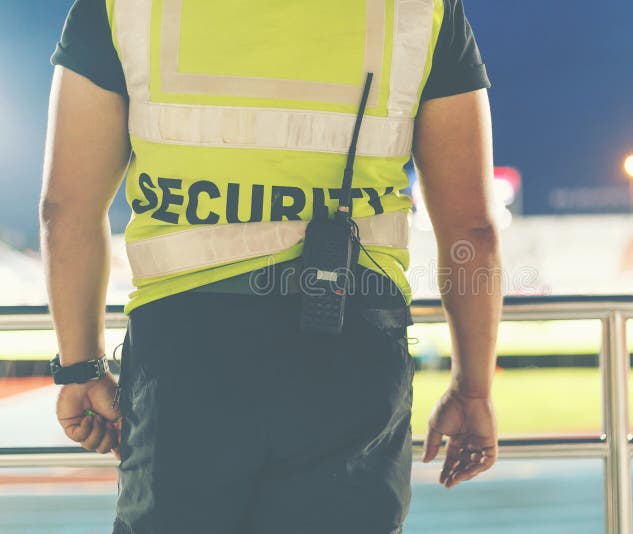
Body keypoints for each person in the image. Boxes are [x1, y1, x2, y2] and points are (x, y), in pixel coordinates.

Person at [41, 0, 502, 532]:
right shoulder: (423, 10)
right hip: (351, 350)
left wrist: (81, 370)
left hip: (185, 355)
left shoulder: (121, 8)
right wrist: (473, 389)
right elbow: (474, 232)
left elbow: (65, 209)